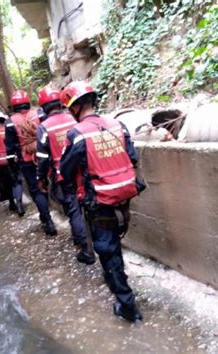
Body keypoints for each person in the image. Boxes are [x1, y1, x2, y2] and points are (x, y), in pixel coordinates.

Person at [59, 81, 145, 322]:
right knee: (113, 244)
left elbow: (65, 171)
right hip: (124, 195)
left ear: (74, 108)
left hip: (100, 200)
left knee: (108, 251)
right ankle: (117, 283)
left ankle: (128, 306)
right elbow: (132, 157)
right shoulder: (119, 125)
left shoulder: (76, 134)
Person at [36, 85, 95, 264]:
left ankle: (85, 247)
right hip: (83, 170)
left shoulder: (44, 127)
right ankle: (91, 238)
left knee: (73, 209)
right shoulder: (73, 118)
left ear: (44, 106)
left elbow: (42, 157)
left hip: (63, 174)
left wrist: (42, 179)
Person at [5, 89, 57, 235]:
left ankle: (47, 220)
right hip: (45, 155)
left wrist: (13, 168)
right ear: (28, 102)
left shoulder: (10, 122)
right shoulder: (40, 113)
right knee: (50, 181)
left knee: (36, 190)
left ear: (14, 106)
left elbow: (9, 148)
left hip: (27, 160)